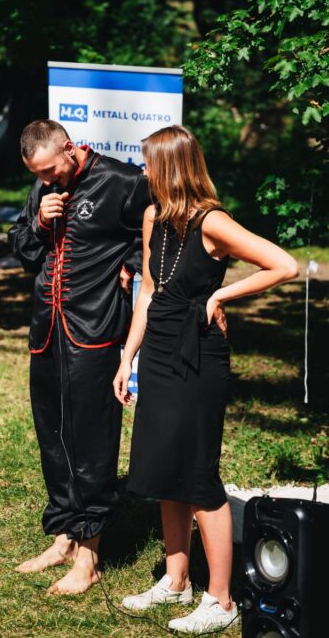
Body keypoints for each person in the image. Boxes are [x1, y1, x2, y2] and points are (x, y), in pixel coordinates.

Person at [113, 125, 298, 633]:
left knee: (196, 473)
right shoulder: (153, 216)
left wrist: (220, 295)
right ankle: (176, 580)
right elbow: (148, 292)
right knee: (163, 466)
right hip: (158, 353)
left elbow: (282, 265)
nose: (143, 171)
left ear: (171, 167)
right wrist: (127, 358)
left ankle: (221, 600)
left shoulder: (213, 222)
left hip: (199, 355)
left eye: (149, 163)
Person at [8, 119, 150, 595]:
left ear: (70, 149)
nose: (46, 180)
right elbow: (23, 251)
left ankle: (89, 557)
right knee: (53, 435)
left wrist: (130, 267)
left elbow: (153, 233)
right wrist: (39, 221)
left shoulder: (123, 181)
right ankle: (64, 537)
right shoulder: (43, 188)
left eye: (50, 171)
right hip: (47, 330)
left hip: (94, 331)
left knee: (90, 440)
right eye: (38, 175)